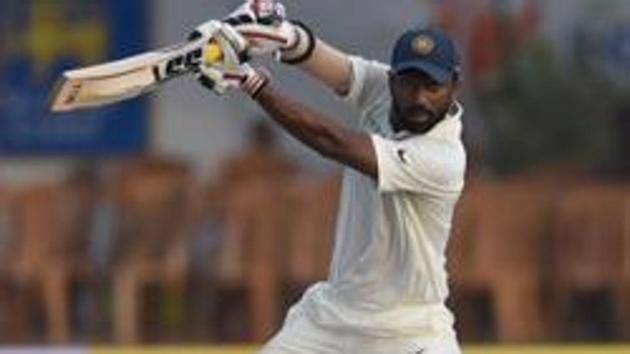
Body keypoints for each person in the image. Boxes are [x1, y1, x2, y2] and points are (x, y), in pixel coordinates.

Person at [194, 1, 466, 353]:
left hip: (410, 329)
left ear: (454, 85)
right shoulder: (382, 90)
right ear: (393, 78)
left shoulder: (443, 157)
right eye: (410, 83)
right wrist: (280, 33)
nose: (419, 98)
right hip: (334, 316)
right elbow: (319, 58)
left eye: (433, 87)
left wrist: (250, 81)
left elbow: (332, 142)